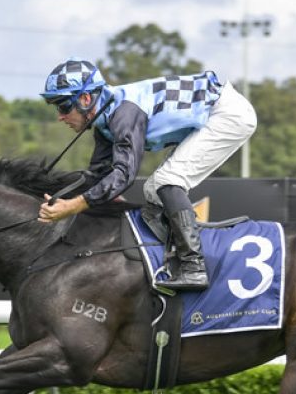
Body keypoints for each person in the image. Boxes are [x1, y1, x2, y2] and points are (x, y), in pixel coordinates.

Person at [37, 57, 257, 291]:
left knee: (167, 181)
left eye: (63, 106)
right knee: (152, 189)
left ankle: (194, 268)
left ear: (85, 99)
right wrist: (61, 198)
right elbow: (98, 175)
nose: (60, 116)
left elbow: (123, 175)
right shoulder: (105, 121)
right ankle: (173, 256)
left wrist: (74, 206)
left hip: (227, 115)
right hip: (218, 111)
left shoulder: (124, 113)